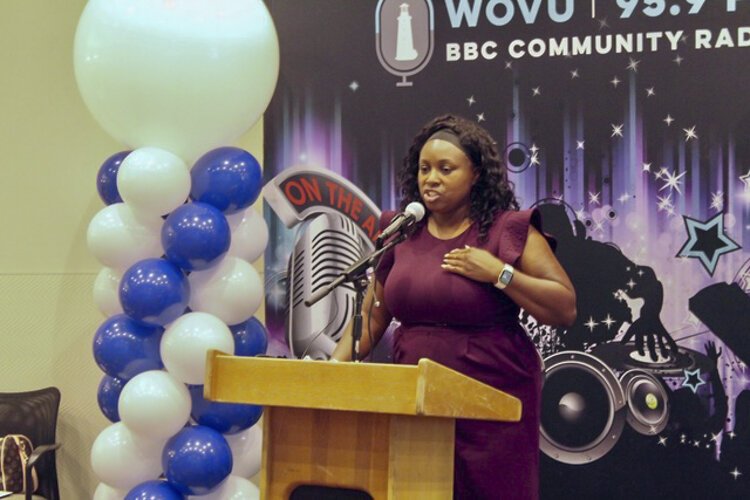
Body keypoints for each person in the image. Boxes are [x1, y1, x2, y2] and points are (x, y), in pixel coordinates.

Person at [331, 114, 577, 499]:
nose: (431, 179)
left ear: (476, 174)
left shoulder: (506, 230)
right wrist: (331, 373)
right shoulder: (400, 231)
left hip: (491, 405)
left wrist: (500, 273)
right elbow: (371, 317)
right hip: (416, 402)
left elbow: (564, 307)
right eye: (424, 169)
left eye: (446, 169)